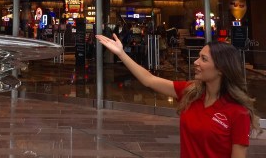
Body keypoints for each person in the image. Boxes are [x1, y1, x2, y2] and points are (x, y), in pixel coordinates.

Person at [96, 33, 260, 158]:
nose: (195, 62)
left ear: (221, 69)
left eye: (203, 59)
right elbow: (149, 80)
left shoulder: (238, 112)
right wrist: (121, 53)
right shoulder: (191, 92)